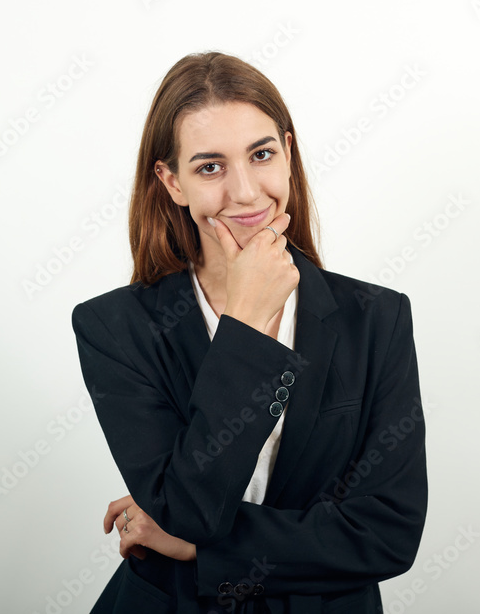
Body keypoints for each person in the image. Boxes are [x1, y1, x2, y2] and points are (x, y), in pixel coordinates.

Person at [71, 51, 427, 613]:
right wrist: (244, 327)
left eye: (261, 155)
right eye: (210, 166)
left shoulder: (376, 318)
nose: (245, 192)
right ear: (172, 182)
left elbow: (387, 534)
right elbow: (189, 509)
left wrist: (202, 549)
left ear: (287, 154)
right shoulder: (115, 329)